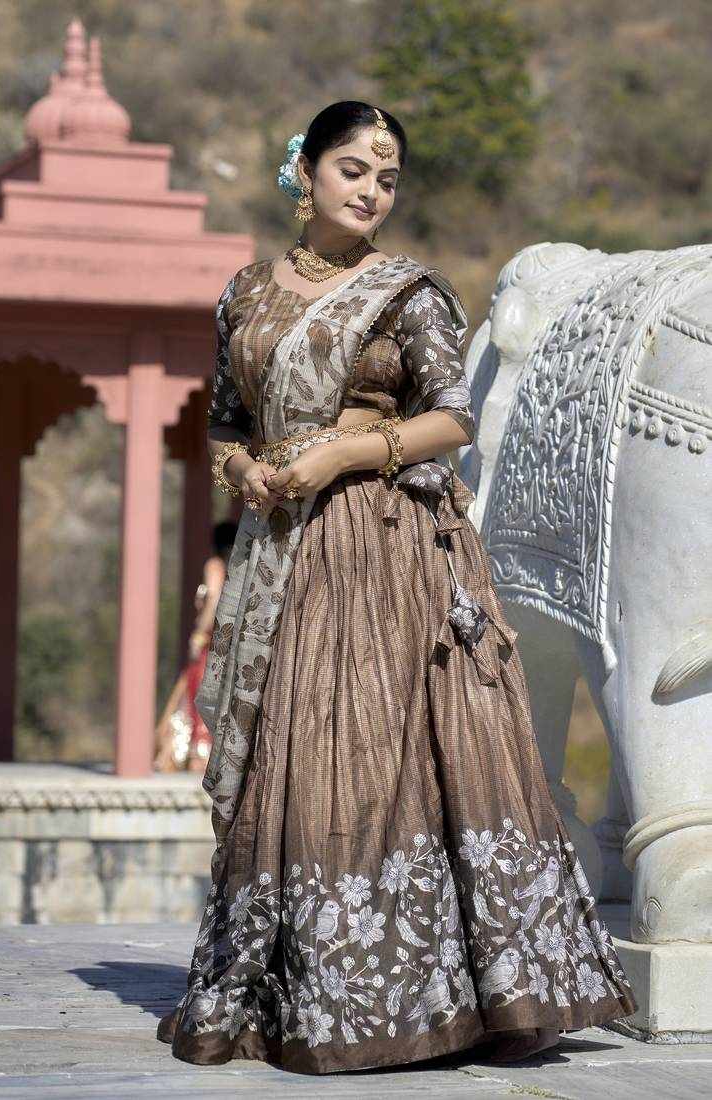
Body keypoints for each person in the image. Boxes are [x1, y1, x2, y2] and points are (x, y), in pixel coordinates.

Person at [157, 101, 635, 1075]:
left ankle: (413, 993)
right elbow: (226, 421)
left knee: (364, 753)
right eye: (352, 169)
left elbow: (452, 418)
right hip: (277, 549)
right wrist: (245, 470)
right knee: (281, 757)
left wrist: (338, 453)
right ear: (304, 172)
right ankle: (291, 979)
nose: (371, 191)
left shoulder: (408, 292)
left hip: (378, 549)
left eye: (387, 178)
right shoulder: (245, 293)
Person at [154, 521, 238, 772]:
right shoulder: (240, 567)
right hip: (229, 644)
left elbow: (213, 598)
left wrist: (200, 632)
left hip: (210, 642)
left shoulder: (214, 566)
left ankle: (196, 755)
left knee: (199, 695)